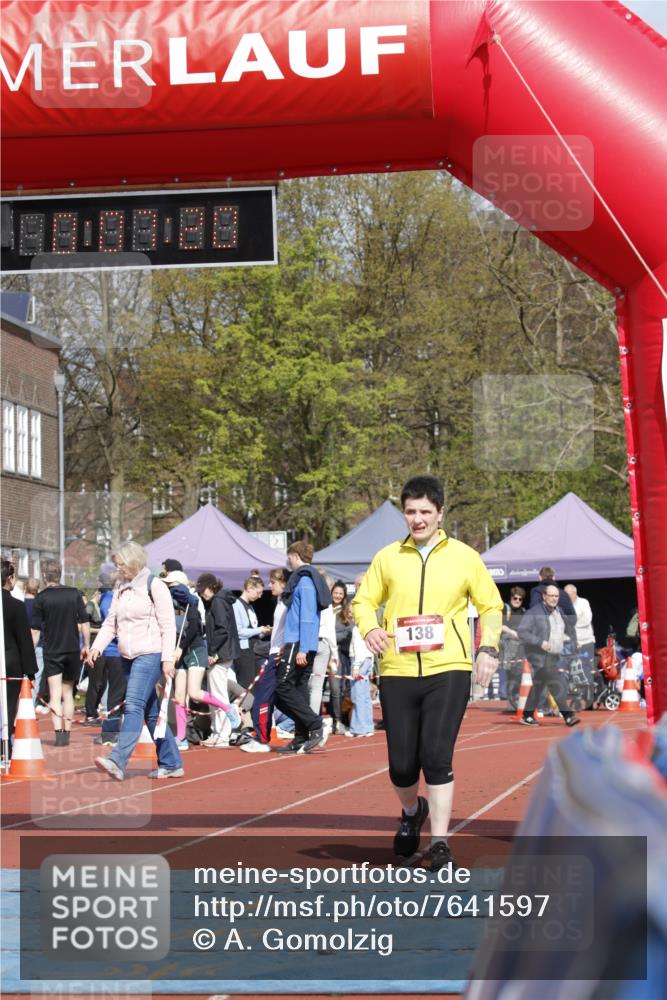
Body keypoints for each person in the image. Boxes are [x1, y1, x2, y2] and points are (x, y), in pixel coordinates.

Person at [353, 475, 503, 871]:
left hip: (448, 668)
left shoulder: (465, 557)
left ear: (440, 513)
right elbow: (363, 601)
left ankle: (440, 843)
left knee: (436, 756)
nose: (417, 519)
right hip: (398, 669)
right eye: (410, 512)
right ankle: (411, 811)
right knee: (402, 766)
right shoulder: (388, 558)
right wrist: (369, 628)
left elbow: (491, 606)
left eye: (425, 511)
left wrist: (488, 647)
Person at [87, 542, 182, 780]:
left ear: (134, 561)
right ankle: (171, 762)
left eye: (122, 564)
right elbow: (111, 623)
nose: (119, 568)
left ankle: (118, 760)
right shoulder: (121, 588)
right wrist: (96, 647)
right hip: (126, 657)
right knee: (151, 712)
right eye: (117, 565)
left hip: (149, 654)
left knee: (133, 705)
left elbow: (168, 625)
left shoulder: (155, 585)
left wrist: (167, 659)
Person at [274, 541, 332, 755]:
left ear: (296, 555)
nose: (287, 561)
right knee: (298, 689)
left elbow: (307, 617)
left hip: (300, 642)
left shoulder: (305, 581)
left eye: (289, 556)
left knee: (282, 686)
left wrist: (303, 649)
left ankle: (315, 724)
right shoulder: (304, 580)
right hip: (297, 642)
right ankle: (300, 737)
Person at [31, 559, 90, 747]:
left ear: (44, 575)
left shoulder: (41, 597)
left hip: (52, 650)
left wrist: (31, 651)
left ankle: (59, 735)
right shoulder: (74, 593)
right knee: (68, 693)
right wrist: (86, 645)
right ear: (60, 573)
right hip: (72, 648)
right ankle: (67, 732)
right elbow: (85, 621)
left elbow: (35, 630)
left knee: (55, 694)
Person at [517, 584, 580, 729]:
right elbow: (522, 632)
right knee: (554, 682)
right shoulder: (534, 613)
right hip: (538, 655)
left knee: (539, 685)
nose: (554, 599)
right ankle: (568, 715)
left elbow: (568, 627)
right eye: (551, 596)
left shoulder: (559, 610)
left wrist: (574, 641)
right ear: (544, 597)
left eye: (556, 596)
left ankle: (527, 715)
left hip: (554, 654)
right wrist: (540, 642)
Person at [241, 567, 290, 754]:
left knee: (263, 696)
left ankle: (261, 738)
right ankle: (312, 724)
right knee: (280, 697)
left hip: (278, 654)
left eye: (273, 582)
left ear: (283, 583)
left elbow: (291, 627)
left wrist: (285, 647)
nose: (269, 586)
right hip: (274, 651)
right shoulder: (280, 601)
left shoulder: (288, 601)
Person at [163, 569, 209, 752]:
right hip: (177, 652)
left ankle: (228, 709)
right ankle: (181, 737)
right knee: (179, 696)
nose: (169, 588)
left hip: (192, 649)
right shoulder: (167, 602)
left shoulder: (192, 602)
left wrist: (180, 647)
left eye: (172, 585)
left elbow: (193, 629)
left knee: (194, 693)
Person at [195, 574, 242, 748]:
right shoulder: (221, 600)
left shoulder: (217, 602)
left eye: (203, 590)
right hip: (224, 652)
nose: (202, 594)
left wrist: (213, 653)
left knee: (217, 695)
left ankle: (222, 734)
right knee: (216, 693)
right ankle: (219, 732)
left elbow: (222, 630)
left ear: (211, 587)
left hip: (220, 653)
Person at [2, 561, 37, 744]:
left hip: (9, 660)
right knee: (8, 706)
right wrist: (30, 671)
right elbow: (24, 639)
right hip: (10, 661)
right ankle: (4, 743)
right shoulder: (15, 605)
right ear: (10, 578)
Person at [91, 572, 125, 748]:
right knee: (116, 693)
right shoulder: (109, 599)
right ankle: (110, 733)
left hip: (117, 651)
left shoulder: (109, 599)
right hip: (114, 652)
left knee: (118, 693)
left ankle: (114, 732)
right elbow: (112, 624)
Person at [233, 574, 271, 689]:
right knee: (246, 684)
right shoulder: (236, 605)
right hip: (243, 651)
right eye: (258, 593)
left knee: (255, 685)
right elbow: (238, 632)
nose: (260, 596)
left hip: (253, 650)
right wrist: (259, 629)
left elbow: (252, 632)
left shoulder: (250, 606)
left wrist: (263, 632)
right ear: (249, 588)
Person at [347, 618, 375, 738]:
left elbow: (358, 647)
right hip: (368, 659)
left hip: (359, 660)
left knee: (357, 696)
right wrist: (371, 665)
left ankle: (358, 729)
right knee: (366, 697)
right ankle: (368, 727)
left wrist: (356, 666)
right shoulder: (369, 627)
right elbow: (372, 647)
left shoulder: (356, 628)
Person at [330, 580, 353, 732]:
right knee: (322, 688)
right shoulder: (325, 609)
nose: (337, 596)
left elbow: (348, 632)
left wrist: (331, 637)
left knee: (338, 688)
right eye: (335, 593)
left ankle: (339, 720)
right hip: (324, 652)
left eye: (340, 593)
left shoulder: (345, 612)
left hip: (339, 655)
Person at [564, 583, 596, 680]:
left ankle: (589, 688)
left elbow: (586, 620)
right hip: (569, 642)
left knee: (586, 667)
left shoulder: (583, 602)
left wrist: (570, 624)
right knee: (568, 668)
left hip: (585, 642)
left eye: (569, 594)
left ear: (575, 593)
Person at [498, 586, 527, 698]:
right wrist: (513, 633)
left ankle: (515, 695)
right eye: (515, 598)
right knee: (505, 669)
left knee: (518, 670)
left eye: (520, 599)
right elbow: (500, 625)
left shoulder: (523, 611)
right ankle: (503, 695)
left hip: (519, 645)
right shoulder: (505, 609)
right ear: (511, 597)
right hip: (506, 643)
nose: (517, 601)